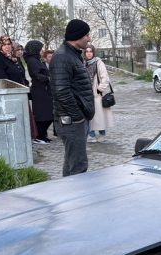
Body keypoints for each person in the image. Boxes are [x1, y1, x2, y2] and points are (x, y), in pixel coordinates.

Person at [50, 19, 95, 177]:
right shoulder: (62, 57)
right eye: (86, 35)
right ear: (77, 36)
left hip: (75, 118)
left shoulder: (72, 55)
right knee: (78, 165)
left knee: (72, 162)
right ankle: (77, 198)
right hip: (71, 120)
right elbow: (61, 92)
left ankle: (66, 195)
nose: (88, 39)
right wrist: (77, 117)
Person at [24, 40, 54, 144]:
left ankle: (42, 134)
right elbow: (36, 75)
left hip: (43, 89)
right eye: (40, 48)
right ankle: (39, 136)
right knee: (43, 114)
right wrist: (48, 78)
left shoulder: (35, 59)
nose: (42, 50)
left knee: (48, 114)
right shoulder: (32, 60)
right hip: (39, 90)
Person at [84, 44, 114, 143]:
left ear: (93, 52)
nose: (88, 53)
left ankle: (102, 134)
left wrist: (99, 90)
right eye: (87, 51)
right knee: (89, 115)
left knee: (100, 115)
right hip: (86, 92)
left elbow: (105, 78)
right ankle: (91, 135)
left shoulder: (98, 63)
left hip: (97, 94)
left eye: (90, 51)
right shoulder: (84, 63)